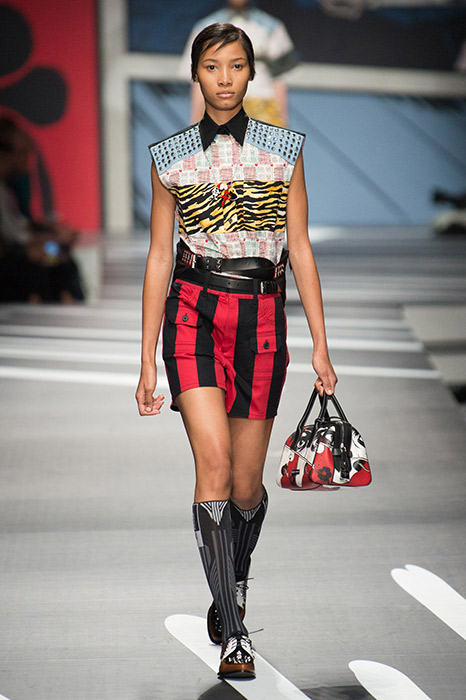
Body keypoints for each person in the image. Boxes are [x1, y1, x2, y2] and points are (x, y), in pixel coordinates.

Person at [136, 23, 337, 680]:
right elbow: (159, 255)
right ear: (195, 73)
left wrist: (321, 346)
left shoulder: (285, 150)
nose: (224, 78)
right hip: (192, 313)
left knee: (248, 488)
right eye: (212, 66)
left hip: (261, 318)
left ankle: (234, 583)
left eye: (236, 66)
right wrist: (146, 359)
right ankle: (234, 632)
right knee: (215, 469)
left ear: (253, 73)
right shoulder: (168, 155)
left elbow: (299, 246)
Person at [179, 0, 298, 127]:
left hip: (263, 103)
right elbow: (198, 81)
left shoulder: (271, 27)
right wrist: (195, 121)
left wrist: (283, 122)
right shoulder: (205, 28)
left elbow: (280, 80)